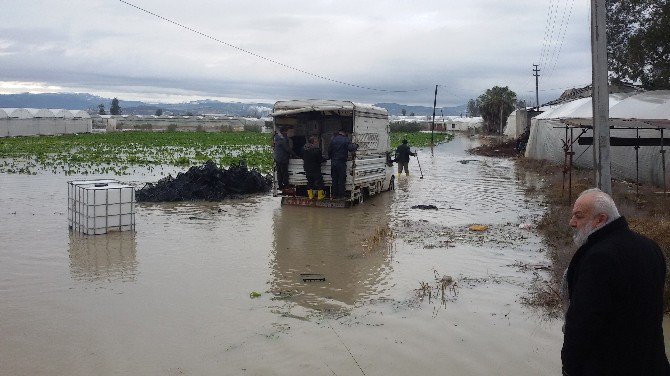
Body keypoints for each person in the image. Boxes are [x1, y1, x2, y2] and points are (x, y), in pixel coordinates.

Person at [562, 188, 669, 375]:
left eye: (579, 216)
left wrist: (569, 368)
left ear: (600, 219)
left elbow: (582, 324)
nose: (572, 223)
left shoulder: (599, 257)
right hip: (653, 364)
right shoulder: (651, 247)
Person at [328, 129, 358, 199]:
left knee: (334, 179)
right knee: (341, 179)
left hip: (333, 162)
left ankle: (334, 195)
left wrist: (331, 157)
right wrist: (356, 145)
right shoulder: (345, 139)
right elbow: (351, 148)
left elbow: (329, 150)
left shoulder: (333, 139)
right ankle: (341, 195)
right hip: (341, 163)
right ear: (344, 133)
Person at [302, 135, 327, 200]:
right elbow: (320, 160)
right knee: (319, 182)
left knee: (310, 182)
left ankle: (310, 196)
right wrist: (325, 159)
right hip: (315, 169)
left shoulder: (304, 149)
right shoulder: (316, 150)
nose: (317, 142)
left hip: (307, 168)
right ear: (313, 142)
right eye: (316, 141)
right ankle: (320, 196)